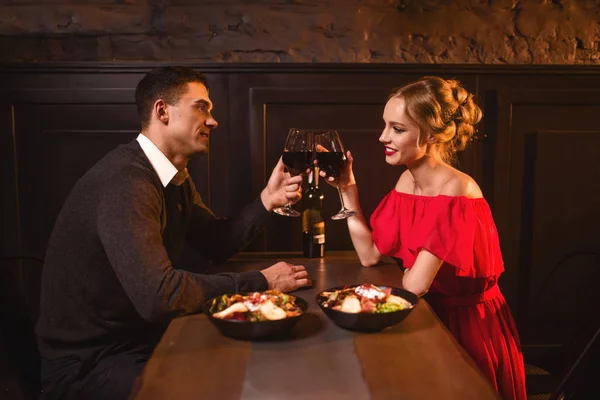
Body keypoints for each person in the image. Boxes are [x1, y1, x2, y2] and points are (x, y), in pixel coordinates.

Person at [35, 66, 311, 400]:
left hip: (138, 340)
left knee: (252, 366)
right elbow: (160, 295)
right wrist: (261, 282)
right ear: (162, 111)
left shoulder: (171, 177)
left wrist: (268, 200)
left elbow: (216, 240)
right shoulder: (126, 182)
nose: (213, 121)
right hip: (88, 365)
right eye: (201, 107)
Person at [320, 76, 527, 400]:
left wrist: (407, 275)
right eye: (385, 125)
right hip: (426, 317)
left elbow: (416, 285)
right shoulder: (406, 182)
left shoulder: (458, 189)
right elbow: (370, 255)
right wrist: (347, 189)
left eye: (397, 129)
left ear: (430, 134)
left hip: (466, 329)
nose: (382, 137)